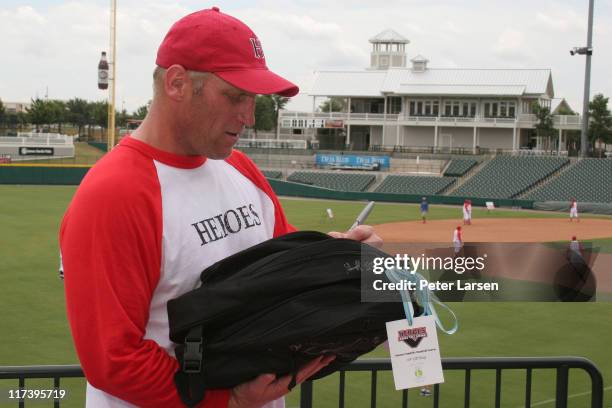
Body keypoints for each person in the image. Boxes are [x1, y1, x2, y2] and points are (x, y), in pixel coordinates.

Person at [59, 7, 381, 408]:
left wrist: (339, 253)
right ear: (177, 83)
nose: (248, 116)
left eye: (253, 99)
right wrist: (225, 399)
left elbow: (278, 269)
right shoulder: (114, 193)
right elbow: (113, 359)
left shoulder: (238, 167)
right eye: (235, 96)